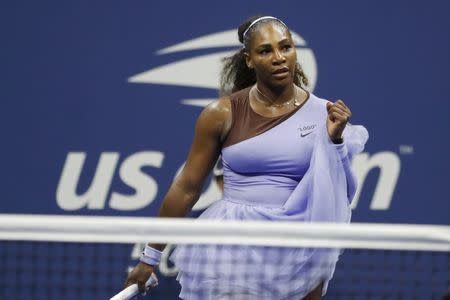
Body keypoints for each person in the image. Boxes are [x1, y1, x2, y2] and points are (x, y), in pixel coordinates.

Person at [125, 15, 368, 299]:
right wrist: (150, 257)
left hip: (298, 248)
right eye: (266, 50)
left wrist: (335, 142)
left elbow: (341, 195)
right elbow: (187, 188)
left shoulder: (326, 114)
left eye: (285, 47)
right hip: (233, 246)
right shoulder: (221, 114)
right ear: (249, 59)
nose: (279, 57)